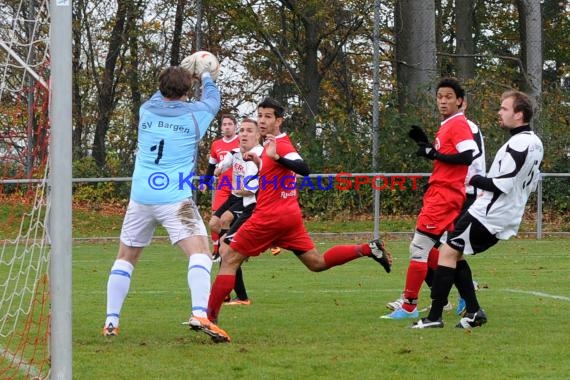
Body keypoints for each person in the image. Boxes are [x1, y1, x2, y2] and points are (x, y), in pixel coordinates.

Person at [188, 97, 393, 343]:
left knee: (229, 257)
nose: (262, 120)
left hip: (269, 218)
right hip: (289, 216)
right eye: (260, 115)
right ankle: (367, 249)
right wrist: (262, 161)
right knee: (316, 262)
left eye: (267, 117)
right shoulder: (268, 147)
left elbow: (303, 167)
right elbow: (276, 172)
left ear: (278, 120)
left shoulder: (280, 144)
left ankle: (209, 319)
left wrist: (275, 157)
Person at [102, 66, 220, 336]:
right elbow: (213, 101)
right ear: (187, 91)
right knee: (201, 252)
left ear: (161, 86)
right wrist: (206, 76)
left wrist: (182, 72)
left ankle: (111, 321)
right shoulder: (195, 115)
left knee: (126, 257)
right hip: (174, 198)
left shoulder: (146, 109)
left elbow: (164, 92)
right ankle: (200, 314)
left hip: (141, 197)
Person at [412, 90, 543, 329]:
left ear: (520, 114)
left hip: (490, 213)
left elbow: (501, 184)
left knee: (446, 252)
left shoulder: (518, 143)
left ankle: (434, 317)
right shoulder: (535, 142)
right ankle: (473, 312)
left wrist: (470, 179)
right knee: (453, 252)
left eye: (504, 109)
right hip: (505, 212)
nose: (499, 113)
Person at [382, 78, 478, 320]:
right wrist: (428, 149)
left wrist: (435, 153)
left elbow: (468, 156)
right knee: (447, 250)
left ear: (460, 101)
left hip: (444, 196)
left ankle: (409, 304)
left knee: (419, 248)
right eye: (439, 97)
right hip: (444, 193)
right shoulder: (447, 125)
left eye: (448, 97)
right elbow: (448, 159)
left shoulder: (458, 125)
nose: (443, 101)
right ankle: (464, 296)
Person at [213, 118, 264, 305]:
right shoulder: (241, 153)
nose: (243, 133)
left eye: (249, 130)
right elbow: (224, 165)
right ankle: (235, 295)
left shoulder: (254, 157)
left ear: (258, 135)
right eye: (241, 130)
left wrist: (235, 188)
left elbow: (249, 190)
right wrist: (219, 170)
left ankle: (235, 296)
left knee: (227, 250)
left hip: (254, 208)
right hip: (249, 205)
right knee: (227, 248)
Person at [205, 114, 239, 261]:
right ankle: (217, 250)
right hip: (223, 187)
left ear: (235, 126)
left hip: (239, 188)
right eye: (224, 124)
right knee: (215, 221)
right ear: (221, 127)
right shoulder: (216, 144)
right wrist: (205, 183)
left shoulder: (241, 141)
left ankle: (233, 248)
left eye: (230, 124)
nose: (227, 126)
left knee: (235, 221)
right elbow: (211, 166)